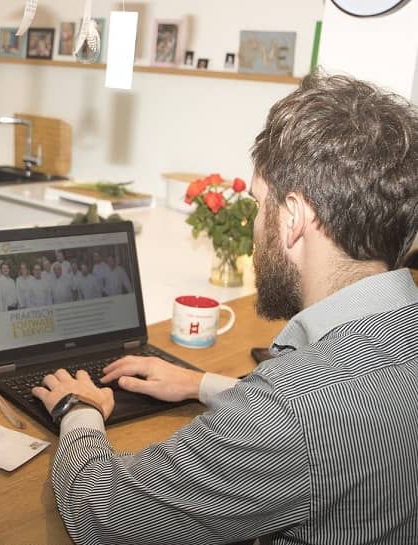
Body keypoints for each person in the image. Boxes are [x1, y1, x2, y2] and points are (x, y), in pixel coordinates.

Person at [32, 72, 418, 544]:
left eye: (259, 204)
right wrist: (204, 385)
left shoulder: (292, 406)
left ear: (293, 217)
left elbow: (105, 515)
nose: (256, 228)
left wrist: (79, 408)